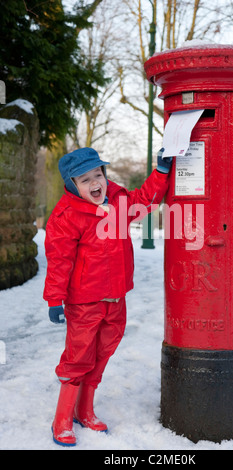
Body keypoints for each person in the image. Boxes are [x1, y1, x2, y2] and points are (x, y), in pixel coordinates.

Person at [43, 147, 173, 447]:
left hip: (116, 297)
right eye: (85, 179)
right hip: (84, 302)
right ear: (71, 185)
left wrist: (162, 172)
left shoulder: (118, 200)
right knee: (78, 357)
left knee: (103, 353)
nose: (95, 183)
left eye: (98, 174)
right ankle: (62, 418)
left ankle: (84, 409)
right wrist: (54, 298)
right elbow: (59, 259)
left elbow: (144, 201)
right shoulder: (67, 215)